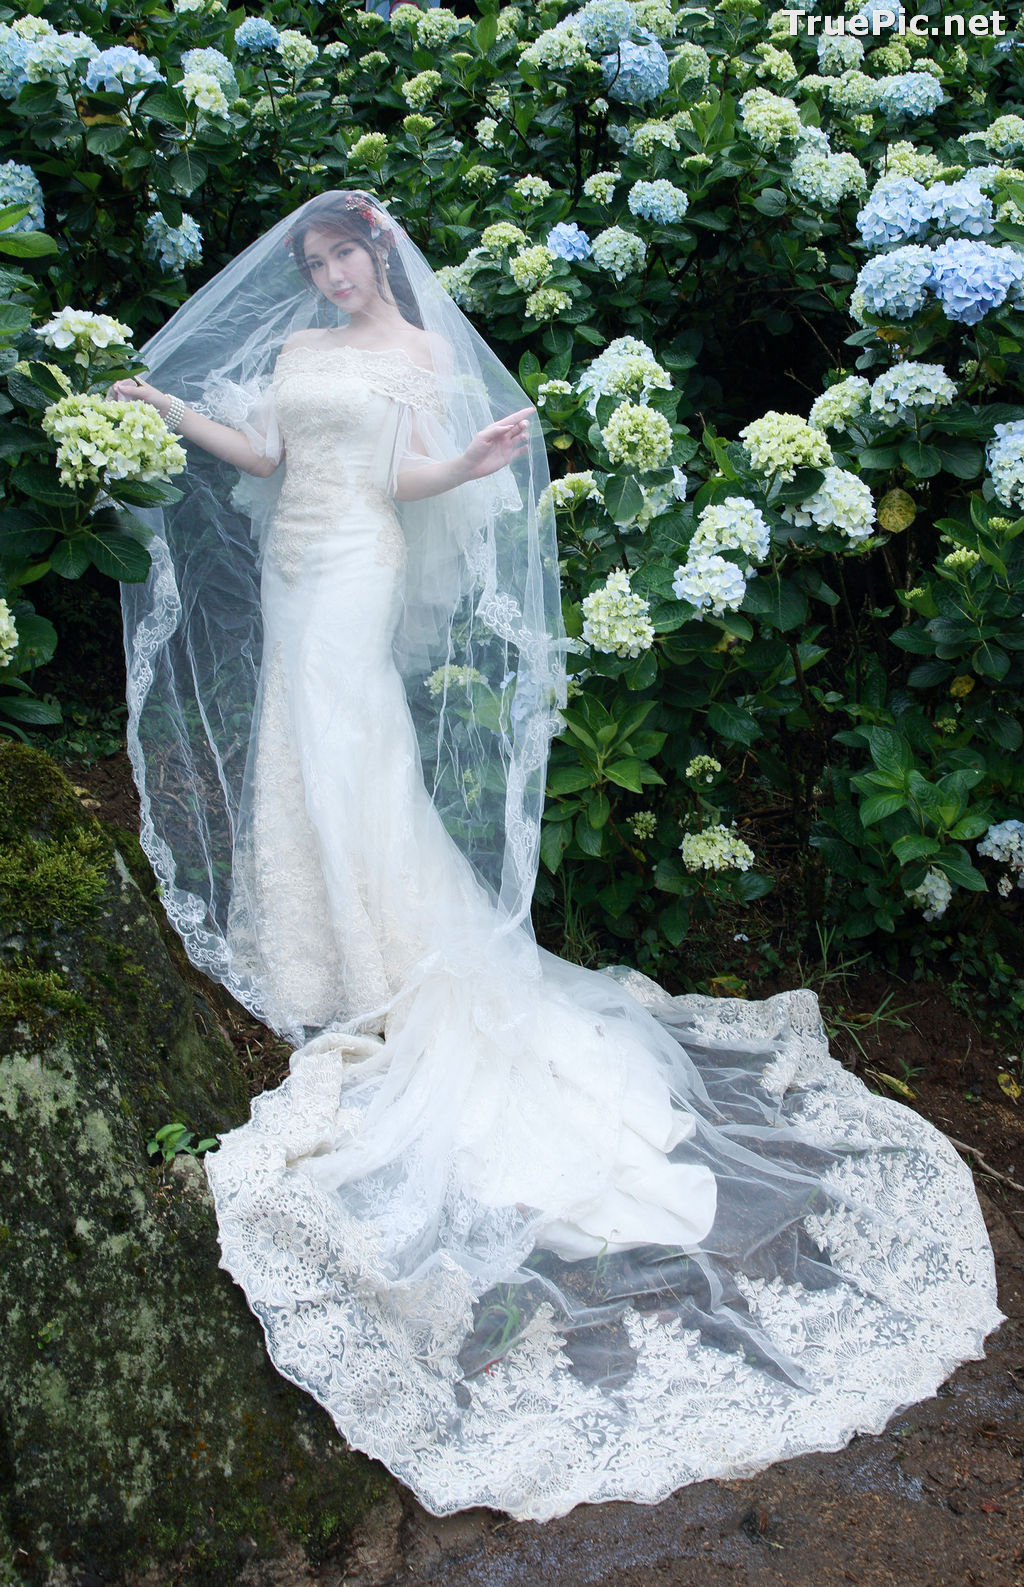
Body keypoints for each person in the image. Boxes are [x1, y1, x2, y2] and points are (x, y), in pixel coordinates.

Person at [120, 190, 1002, 1523]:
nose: (329, 275)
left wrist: (471, 467)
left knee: (356, 737)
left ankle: (388, 948)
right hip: (299, 558)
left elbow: (392, 479)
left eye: (343, 254)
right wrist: (161, 408)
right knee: (293, 744)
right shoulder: (298, 355)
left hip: (358, 564)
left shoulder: (415, 356)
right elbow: (260, 457)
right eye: (313, 261)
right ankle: (310, 932)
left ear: (378, 255)